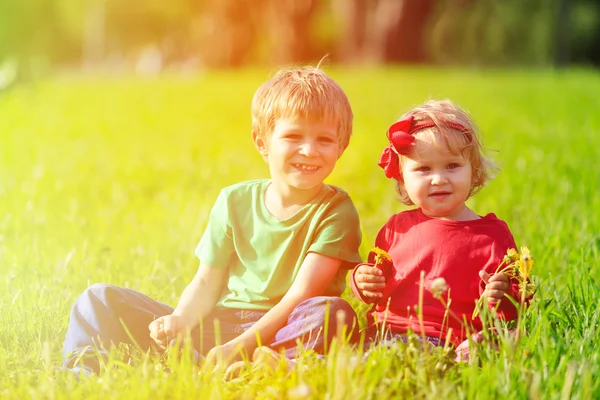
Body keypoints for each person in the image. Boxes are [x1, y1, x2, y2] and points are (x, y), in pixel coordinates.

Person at [62, 66, 362, 375]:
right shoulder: (234, 201)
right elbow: (206, 281)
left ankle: (267, 365)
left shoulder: (336, 210)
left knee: (332, 314)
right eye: (293, 136)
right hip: (219, 325)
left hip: (282, 328)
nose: (309, 150)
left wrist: (241, 347)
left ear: (341, 146)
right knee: (98, 299)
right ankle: (80, 377)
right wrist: (180, 320)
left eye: (324, 139)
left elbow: (304, 293)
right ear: (262, 142)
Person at [351, 99, 531, 351]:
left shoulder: (491, 237)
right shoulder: (396, 228)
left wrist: (501, 293)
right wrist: (363, 280)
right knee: (352, 351)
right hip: (383, 330)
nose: (438, 179)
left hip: (445, 337)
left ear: (474, 170)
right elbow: (378, 285)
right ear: (402, 180)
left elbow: (517, 299)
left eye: (452, 166)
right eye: (423, 169)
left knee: (502, 341)